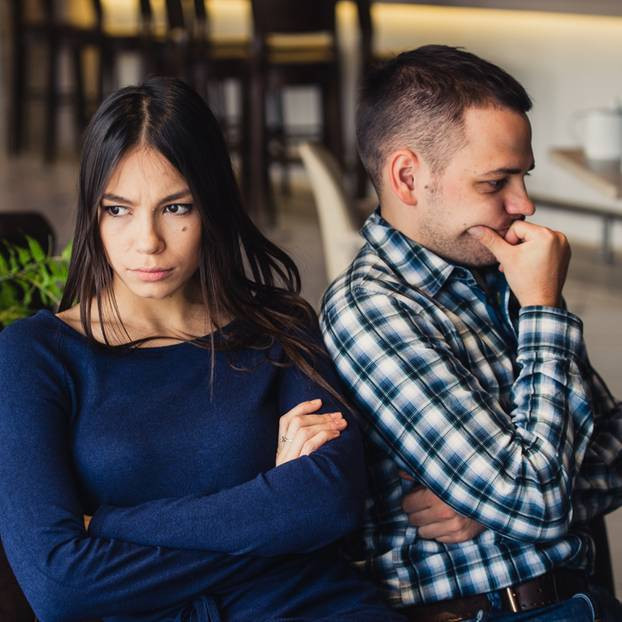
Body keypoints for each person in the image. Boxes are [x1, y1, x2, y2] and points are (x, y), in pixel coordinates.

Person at [0, 77, 405, 622]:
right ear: (92, 212)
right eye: (118, 210)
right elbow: (60, 585)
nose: (147, 241)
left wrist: (112, 525)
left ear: (212, 204)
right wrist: (271, 522)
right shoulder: (36, 354)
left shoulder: (277, 327)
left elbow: (327, 504)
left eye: (176, 207)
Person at [320, 45, 622, 621]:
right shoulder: (372, 310)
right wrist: (542, 309)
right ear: (408, 177)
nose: (524, 203)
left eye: (524, 176)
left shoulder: (498, 270)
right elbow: (534, 501)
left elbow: (607, 451)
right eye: (495, 182)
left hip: (578, 595)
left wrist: (489, 507)